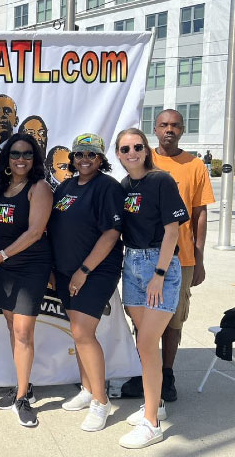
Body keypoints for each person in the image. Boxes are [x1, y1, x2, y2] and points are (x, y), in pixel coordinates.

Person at [122, 110, 215, 401]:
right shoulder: (140, 164)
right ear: (155, 130)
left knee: (174, 321)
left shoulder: (195, 165)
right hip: (142, 258)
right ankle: (145, 372)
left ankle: (168, 374)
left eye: (175, 125)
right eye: (163, 125)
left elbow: (199, 213)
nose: (169, 130)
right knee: (143, 322)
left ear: (182, 129)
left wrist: (198, 258)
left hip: (179, 258)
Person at [114, 128, 189, 449]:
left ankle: (152, 424)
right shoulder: (124, 186)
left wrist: (159, 273)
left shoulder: (161, 180)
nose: (131, 152)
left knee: (146, 345)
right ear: (118, 154)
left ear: (146, 149)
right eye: (124, 148)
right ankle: (153, 402)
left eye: (137, 146)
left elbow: (172, 230)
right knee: (142, 344)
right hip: (131, 265)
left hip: (159, 266)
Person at [48, 133, 124, 432]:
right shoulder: (66, 187)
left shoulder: (108, 187)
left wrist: (84, 270)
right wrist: (59, 270)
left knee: (83, 333)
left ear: (101, 159)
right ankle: (88, 388)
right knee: (77, 332)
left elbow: (111, 234)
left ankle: (101, 402)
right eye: (79, 155)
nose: (84, 160)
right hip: (67, 270)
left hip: (95, 271)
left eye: (91, 155)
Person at [0, 134, 52, 427]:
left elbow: (35, 232)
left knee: (22, 332)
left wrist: (0, 257)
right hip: (4, 267)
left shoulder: (40, 188)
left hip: (29, 266)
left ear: (35, 160)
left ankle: (22, 398)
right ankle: (24, 385)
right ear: (7, 160)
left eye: (27, 154)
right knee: (12, 327)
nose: (21, 159)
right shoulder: (4, 189)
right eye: (15, 154)